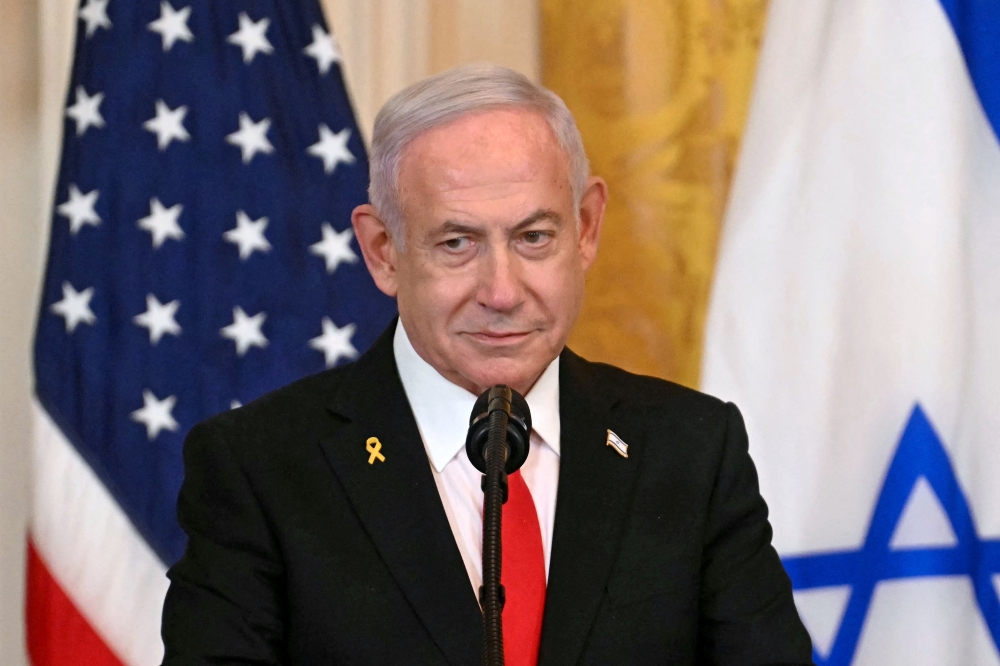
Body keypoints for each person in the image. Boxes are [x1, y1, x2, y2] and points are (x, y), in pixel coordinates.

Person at [160, 63, 813, 666]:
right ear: (383, 250)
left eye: (534, 237)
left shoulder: (690, 449)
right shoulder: (261, 470)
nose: (501, 291)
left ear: (585, 229)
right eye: (456, 242)